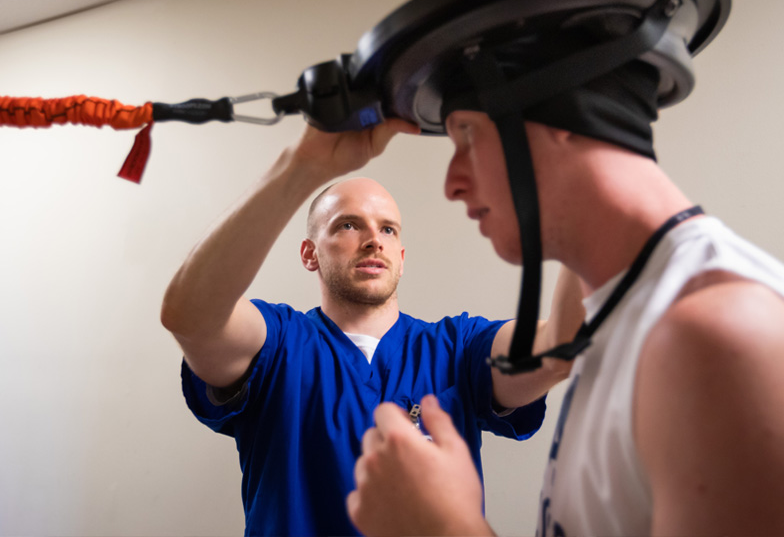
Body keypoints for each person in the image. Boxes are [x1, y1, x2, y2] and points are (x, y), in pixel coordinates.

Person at [344, 0, 784, 537]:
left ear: (559, 121)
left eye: (466, 136)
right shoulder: (621, 319)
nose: (453, 185)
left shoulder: (718, 340)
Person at [160, 118, 584, 536]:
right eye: (348, 224)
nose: (373, 239)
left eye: (387, 228)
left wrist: (575, 181)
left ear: (401, 255)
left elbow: (561, 345)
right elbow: (192, 317)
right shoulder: (279, 344)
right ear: (309, 254)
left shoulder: (458, 348)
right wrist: (303, 166)